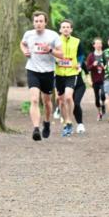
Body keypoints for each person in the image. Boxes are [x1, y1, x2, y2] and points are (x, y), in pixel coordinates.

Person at [20, 11, 64, 141]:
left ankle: (46, 122)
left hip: (48, 72)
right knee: (34, 99)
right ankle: (35, 129)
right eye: (36, 21)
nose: (38, 24)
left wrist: (49, 50)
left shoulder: (53, 35)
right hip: (32, 70)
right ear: (33, 23)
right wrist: (25, 51)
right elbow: (22, 43)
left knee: (47, 101)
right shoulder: (28, 34)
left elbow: (61, 54)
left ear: (45, 22)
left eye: (41, 21)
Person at [54, 20, 81, 137]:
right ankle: (66, 122)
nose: (65, 29)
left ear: (71, 29)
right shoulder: (55, 41)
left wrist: (79, 63)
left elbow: (81, 54)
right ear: (60, 29)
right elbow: (51, 53)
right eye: (63, 27)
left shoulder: (77, 41)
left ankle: (69, 121)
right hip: (58, 73)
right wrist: (55, 60)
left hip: (71, 72)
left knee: (68, 97)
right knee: (60, 100)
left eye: (67, 27)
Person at [83, 37, 107, 121]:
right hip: (95, 79)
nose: (99, 45)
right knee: (97, 98)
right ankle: (99, 113)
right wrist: (93, 64)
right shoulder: (91, 56)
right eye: (97, 43)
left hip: (104, 78)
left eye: (100, 43)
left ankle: (103, 104)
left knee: (103, 94)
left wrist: (105, 67)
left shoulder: (105, 54)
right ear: (93, 45)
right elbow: (87, 68)